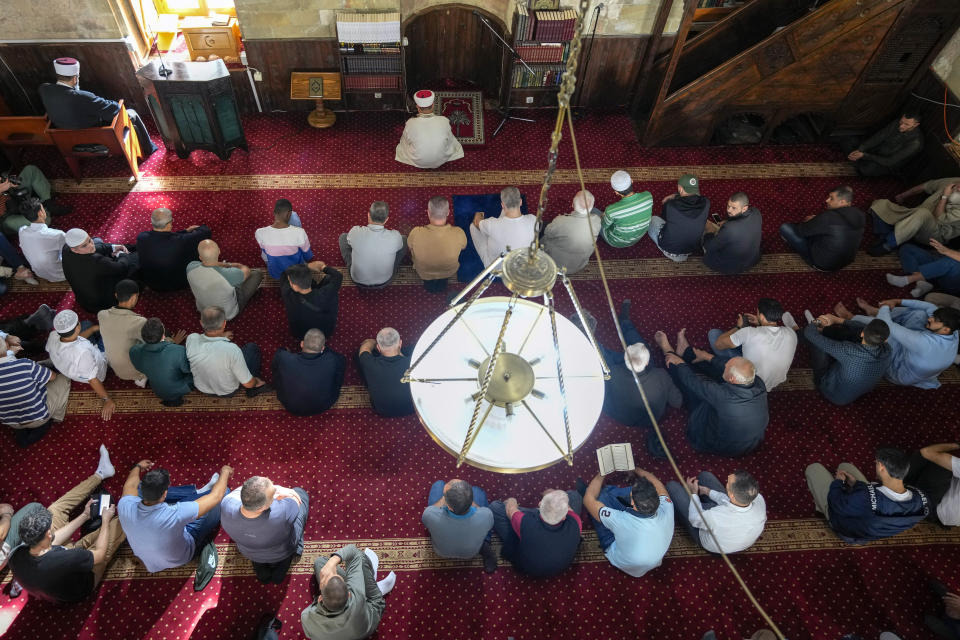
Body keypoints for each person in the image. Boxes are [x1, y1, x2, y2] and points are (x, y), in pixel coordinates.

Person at [6, 446, 123, 602]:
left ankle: (101, 473)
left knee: (55, 509)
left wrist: (84, 516)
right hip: (82, 582)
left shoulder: (17, 554)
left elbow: (53, 541)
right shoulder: (64, 558)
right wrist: (107, 521)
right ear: (48, 534)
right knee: (122, 522)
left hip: (54, 568)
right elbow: (100, 555)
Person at [654, 329, 768, 457]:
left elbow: (694, 382)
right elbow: (725, 366)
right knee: (716, 369)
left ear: (732, 380)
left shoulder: (724, 397)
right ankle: (686, 352)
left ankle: (669, 352)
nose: (725, 366)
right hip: (748, 440)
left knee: (690, 387)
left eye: (727, 367)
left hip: (721, 442)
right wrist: (708, 357)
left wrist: (679, 363)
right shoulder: (757, 382)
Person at [0, 447, 111, 569]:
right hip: (57, 561)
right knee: (54, 510)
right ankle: (101, 474)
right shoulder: (39, 552)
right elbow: (99, 555)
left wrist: (84, 516)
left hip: (35, 561)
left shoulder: (23, 570)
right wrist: (6, 515)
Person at [117, 460, 231, 573]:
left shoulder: (124, 505)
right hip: (182, 556)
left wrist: (137, 466)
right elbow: (216, 496)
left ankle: (199, 492)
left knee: (138, 487)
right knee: (224, 492)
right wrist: (225, 472)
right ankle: (200, 493)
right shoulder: (174, 513)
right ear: (165, 494)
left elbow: (131, 484)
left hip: (151, 564)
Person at [37, 57, 158, 157]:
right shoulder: (82, 97)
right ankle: (149, 148)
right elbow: (115, 110)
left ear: (58, 75)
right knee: (131, 113)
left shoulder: (44, 89)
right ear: (75, 78)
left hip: (68, 143)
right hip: (96, 141)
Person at [804, 448, 929, 544]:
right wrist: (856, 484)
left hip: (846, 528)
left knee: (814, 469)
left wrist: (838, 482)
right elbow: (869, 497)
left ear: (881, 467)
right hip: (870, 525)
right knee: (845, 466)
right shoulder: (922, 499)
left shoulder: (864, 497)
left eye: (876, 463)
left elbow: (836, 502)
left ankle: (821, 508)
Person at [836, 297, 960, 389]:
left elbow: (886, 324)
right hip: (915, 355)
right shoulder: (953, 332)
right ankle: (874, 312)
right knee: (919, 314)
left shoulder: (925, 344)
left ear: (945, 329)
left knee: (882, 330)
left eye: (935, 320)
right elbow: (929, 306)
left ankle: (850, 318)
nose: (930, 319)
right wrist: (897, 301)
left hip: (897, 370)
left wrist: (885, 306)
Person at [594, 300, 682, 428]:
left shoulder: (613, 372)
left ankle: (588, 336)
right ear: (647, 363)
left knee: (603, 356)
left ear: (624, 357)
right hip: (647, 420)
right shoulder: (661, 376)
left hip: (618, 413)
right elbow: (677, 401)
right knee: (642, 347)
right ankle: (625, 322)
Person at [582, 468, 673, 577]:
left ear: (633, 503)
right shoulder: (667, 506)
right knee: (632, 492)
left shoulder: (621, 520)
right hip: (650, 559)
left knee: (600, 497)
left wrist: (602, 473)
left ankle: (594, 490)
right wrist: (635, 468)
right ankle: (610, 492)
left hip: (620, 556)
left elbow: (588, 501)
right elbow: (656, 482)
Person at [220, 476, 309, 584]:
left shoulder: (226, 505)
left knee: (258, 560)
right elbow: (295, 499)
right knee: (300, 493)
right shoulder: (281, 511)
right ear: (263, 507)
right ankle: (280, 572)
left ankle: (262, 573)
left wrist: (273, 492)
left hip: (249, 552)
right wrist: (283, 491)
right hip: (282, 552)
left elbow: (240, 491)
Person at [301, 544, 396, 640]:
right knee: (361, 560)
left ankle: (368, 585)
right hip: (367, 619)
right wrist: (332, 562)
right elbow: (355, 553)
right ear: (349, 594)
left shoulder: (306, 616)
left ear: (320, 598)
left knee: (319, 562)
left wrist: (325, 584)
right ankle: (373, 586)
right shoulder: (356, 597)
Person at [0, 314, 69, 447]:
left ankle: (21, 431)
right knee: (63, 378)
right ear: (8, 346)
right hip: (38, 417)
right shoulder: (24, 365)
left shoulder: (22, 364)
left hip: (11, 422)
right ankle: (51, 418)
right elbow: (52, 377)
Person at [664, 469, 766, 554]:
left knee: (672, 487)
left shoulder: (716, 517)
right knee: (705, 476)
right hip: (731, 532)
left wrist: (694, 493)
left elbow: (694, 518)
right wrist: (708, 491)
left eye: (727, 483)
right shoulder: (758, 498)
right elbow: (728, 500)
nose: (726, 482)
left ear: (732, 495)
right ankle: (704, 501)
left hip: (715, 546)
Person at [707, 298, 798, 392]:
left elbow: (718, 344)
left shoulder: (748, 332)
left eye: (758, 312)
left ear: (761, 316)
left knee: (714, 334)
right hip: (774, 382)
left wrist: (738, 327)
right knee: (747, 342)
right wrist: (760, 323)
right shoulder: (791, 333)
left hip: (749, 382)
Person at [489, 488, 582, 578]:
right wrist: (555, 499)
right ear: (564, 517)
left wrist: (512, 500)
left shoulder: (526, 522)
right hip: (561, 566)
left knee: (495, 507)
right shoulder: (575, 522)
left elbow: (510, 510)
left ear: (540, 504)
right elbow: (568, 508)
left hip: (527, 567)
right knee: (575, 496)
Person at [800, 314, 891, 406]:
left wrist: (817, 322)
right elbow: (862, 327)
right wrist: (837, 320)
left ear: (862, 333)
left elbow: (809, 333)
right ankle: (821, 328)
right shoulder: (888, 350)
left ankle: (798, 332)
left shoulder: (848, 350)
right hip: (853, 391)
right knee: (850, 332)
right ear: (885, 340)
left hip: (832, 393)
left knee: (817, 341)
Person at [185, 306, 271, 398]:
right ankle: (253, 391)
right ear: (224, 324)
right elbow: (248, 383)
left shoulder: (192, 338)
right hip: (228, 391)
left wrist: (221, 336)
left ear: (201, 323)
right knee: (251, 348)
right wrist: (256, 381)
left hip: (203, 389)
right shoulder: (231, 350)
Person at [46, 310, 115, 421]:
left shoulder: (53, 335)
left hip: (71, 363)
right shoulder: (82, 354)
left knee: (88, 324)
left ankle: (94, 331)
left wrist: (92, 330)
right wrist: (107, 400)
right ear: (77, 327)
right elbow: (93, 380)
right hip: (98, 364)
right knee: (110, 332)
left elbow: (74, 339)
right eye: (79, 323)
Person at [867, 177, 960, 256]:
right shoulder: (953, 182)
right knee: (880, 204)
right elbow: (926, 186)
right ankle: (887, 235)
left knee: (923, 213)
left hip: (934, 234)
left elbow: (938, 218)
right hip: (914, 216)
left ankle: (888, 244)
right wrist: (903, 196)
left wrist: (944, 196)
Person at [778, 186, 864, 271]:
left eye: (831, 198)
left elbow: (802, 231)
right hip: (846, 261)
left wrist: (813, 221)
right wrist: (818, 221)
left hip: (823, 264)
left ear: (842, 202)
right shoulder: (861, 215)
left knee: (786, 228)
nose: (827, 200)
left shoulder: (827, 217)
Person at [422, 479, 497, 572]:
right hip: (470, 553)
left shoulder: (429, 514)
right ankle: (485, 545)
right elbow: (487, 521)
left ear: (448, 506)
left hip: (442, 552)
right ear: (471, 501)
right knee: (477, 490)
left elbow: (427, 517)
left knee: (439, 484)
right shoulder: (487, 515)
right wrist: (467, 501)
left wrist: (444, 499)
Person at [61, 227, 139, 313]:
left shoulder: (66, 249)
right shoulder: (97, 262)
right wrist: (121, 254)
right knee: (134, 260)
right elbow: (121, 267)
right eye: (84, 245)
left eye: (89, 240)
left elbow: (93, 248)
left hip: (84, 300)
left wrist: (113, 247)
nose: (91, 245)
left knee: (97, 240)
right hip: (102, 305)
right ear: (74, 250)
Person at [272, 329, 345, 416]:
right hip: (323, 405)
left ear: (302, 344)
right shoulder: (332, 360)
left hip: (290, 405)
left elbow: (277, 357)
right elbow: (342, 360)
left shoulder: (284, 358)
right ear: (322, 348)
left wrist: (285, 350)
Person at [136, 208, 210, 292]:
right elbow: (206, 231)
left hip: (151, 284)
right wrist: (196, 229)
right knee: (198, 249)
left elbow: (165, 237)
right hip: (178, 284)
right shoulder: (181, 241)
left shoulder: (141, 237)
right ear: (169, 224)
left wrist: (185, 231)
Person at [186, 239, 263, 320]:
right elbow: (246, 270)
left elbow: (206, 263)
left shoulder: (190, 267)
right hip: (228, 315)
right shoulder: (229, 275)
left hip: (204, 311)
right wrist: (232, 265)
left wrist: (224, 265)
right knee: (257, 274)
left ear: (200, 257)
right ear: (219, 251)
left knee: (232, 282)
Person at [406, 196, 467, 291]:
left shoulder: (415, 232)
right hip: (449, 271)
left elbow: (409, 247)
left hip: (423, 272)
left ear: (428, 213)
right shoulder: (458, 232)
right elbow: (464, 247)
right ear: (448, 213)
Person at [340, 201, 406, 287]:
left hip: (357, 280)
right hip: (385, 281)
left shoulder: (355, 232)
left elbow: (348, 240)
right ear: (386, 219)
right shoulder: (395, 236)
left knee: (343, 237)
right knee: (404, 239)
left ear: (368, 215)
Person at [394, 89, 464, 169]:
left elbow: (405, 141)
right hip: (440, 160)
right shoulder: (444, 120)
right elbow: (449, 141)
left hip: (418, 160)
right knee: (451, 140)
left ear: (417, 107)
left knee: (404, 144)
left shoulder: (410, 123)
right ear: (433, 105)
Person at [129, 318, 191, 407]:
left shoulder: (134, 351)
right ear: (163, 336)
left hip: (158, 390)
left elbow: (139, 367)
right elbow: (187, 369)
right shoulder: (179, 351)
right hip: (181, 388)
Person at [470, 187, 536, 267]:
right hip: (522, 269)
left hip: (496, 268)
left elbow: (477, 222)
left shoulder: (491, 223)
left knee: (473, 227)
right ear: (521, 202)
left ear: (502, 205)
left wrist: (479, 213)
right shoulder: (533, 219)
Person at [648, 174, 710, 261]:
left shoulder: (671, 205)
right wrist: (675, 195)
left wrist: (673, 198)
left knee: (653, 220)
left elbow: (665, 219)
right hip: (691, 249)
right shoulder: (706, 202)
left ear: (680, 188)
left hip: (671, 251)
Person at [97, 279, 147, 387]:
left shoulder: (101, 315)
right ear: (134, 297)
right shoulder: (139, 322)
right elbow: (152, 340)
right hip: (135, 370)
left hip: (117, 369)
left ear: (116, 295)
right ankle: (141, 377)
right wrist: (170, 341)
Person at [842, 111, 923, 177]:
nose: (901, 126)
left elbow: (890, 161)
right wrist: (860, 149)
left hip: (884, 163)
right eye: (901, 122)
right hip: (875, 151)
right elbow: (878, 137)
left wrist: (864, 155)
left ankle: (857, 161)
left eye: (906, 124)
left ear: (915, 125)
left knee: (867, 169)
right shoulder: (897, 123)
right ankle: (856, 160)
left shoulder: (915, 143)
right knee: (849, 140)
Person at [357, 328, 414, 418]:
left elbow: (365, 347)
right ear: (400, 343)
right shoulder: (414, 362)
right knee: (411, 349)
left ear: (378, 348)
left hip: (382, 410)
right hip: (412, 408)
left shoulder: (368, 362)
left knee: (358, 356)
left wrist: (373, 342)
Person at [542, 190, 602, 274]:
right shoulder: (597, 221)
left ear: (572, 205)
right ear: (592, 208)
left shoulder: (560, 221)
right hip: (578, 265)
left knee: (542, 228)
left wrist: (559, 221)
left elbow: (547, 232)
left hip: (553, 263)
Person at [702, 192, 762, 275]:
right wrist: (728, 221)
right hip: (753, 259)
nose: (728, 210)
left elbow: (709, 246)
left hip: (733, 266)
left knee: (704, 230)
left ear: (744, 208)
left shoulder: (729, 229)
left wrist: (710, 232)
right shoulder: (756, 212)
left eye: (734, 208)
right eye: (728, 206)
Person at [0, 165, 71, 235]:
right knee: (43, 219)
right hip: (6, 218)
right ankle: (43, 209)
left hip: (11, 196)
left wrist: (6, 183)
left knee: (30, 170)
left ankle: (48, 204)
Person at [280, 261, 342, 340]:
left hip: (300, 335)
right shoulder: (326, 294)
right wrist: (323, 267)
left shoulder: (288, 294)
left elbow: (284, 274)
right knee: (329, 279)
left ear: (295, 286)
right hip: (325, 333)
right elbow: (338, 276)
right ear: (310, 279)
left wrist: (306, 266)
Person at [255, 198, 314, 280]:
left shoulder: (259, 232)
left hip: (275, 274)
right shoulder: (300, 232)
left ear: (274, 213)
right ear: (288, 214)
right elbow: (307, 255)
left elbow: (264, 253)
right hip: (296, 273)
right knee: (295, 216)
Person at [904, 442, 959, 527]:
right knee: (945, 463)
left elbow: (926, 452)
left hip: (935, 508)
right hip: (948, 519)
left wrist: (956, 445)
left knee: (939, 462)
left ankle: (899, 479)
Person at [886, 239, 960, 299]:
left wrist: (947, 251)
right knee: (907, 248)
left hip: (954, 280)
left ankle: (907, 280)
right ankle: (922, 281)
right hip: (943, 262)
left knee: (952, 262)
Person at [17, 197, 67, 282]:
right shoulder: (57, 235)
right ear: (40, 213)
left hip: (40, 274)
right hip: (63, 274)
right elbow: (71, 251)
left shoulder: (22, 231)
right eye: (43, 208)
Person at [599, 171, 653, 249]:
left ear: (616, 193)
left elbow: (604, 225)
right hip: (637, 238)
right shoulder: (648, 196)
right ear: (632, 181)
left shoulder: (611, 210)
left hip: (616, 241)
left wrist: (603, 216)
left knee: (594, 212)